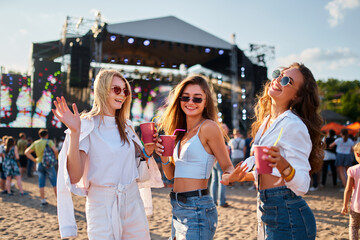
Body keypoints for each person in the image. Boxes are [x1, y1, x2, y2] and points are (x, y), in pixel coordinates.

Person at [53, 69, 162, 239]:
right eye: (116, 89)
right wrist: (75, 133)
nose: (123, 95)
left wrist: (147, 152)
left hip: (132, 201)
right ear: (102, 90)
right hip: (101, 204)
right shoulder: (87, 125)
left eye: (125, 90)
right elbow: (74, 177)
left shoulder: (127, 126)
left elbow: (134, 166)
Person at [224, 63, 323, 239]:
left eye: (287, 81)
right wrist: (238, 176)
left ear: (297, 97)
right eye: (278, 74)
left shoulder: (293, 125)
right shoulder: (267, 122)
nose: (278, 80)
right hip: (268, 206)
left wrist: (283, 164)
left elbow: (302, 186)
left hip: (288, 213)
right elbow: (266, 172)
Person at [155, 74, 240, 239]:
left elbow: (227, 165)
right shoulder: (179, 132)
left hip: (197, 207)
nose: (190, 102)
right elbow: (172, 175)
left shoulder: (209, 127)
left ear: (206, 101)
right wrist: (164, 156)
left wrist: (230, 175)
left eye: (197, 99)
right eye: (185, 97)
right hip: (177, 206)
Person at [25, 129, 58, 206]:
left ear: (39, 135)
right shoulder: (49, 142)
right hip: (49, 164)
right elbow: (56, 150)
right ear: (47, 135)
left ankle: (43, 200)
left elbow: (26, 152)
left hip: (39, 163)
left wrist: (35, 160)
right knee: (54, 183)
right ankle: (58, 199)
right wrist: (55, 158)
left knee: (41, 182)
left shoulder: (36, 143)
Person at [341, 142, 360, 239]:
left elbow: (348, 189)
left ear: (357, 154)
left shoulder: (353, 170)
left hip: (356, 206)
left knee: (354, 227)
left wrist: (345, 205)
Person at [210, 123, 231, 208]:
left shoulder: (214, 136)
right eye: (226, 128)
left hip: (214, 160)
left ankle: (213, 201)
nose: (227, 129)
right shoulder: (221, 137)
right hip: (220, 160)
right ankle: (222, 201)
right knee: (222, 181)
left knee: (214, 180)